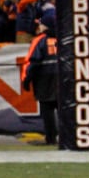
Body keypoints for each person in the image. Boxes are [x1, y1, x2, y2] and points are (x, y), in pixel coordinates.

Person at [21, 8, 59, 145]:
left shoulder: (39, 40)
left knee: (47, 110)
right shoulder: (64, 37)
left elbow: (32, 60)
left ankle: (51, 137)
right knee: (64, 109)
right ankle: (69, 135)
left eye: (41, 23)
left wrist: (26, 79)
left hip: (44, 78)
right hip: (64, 78)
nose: (39, 26)